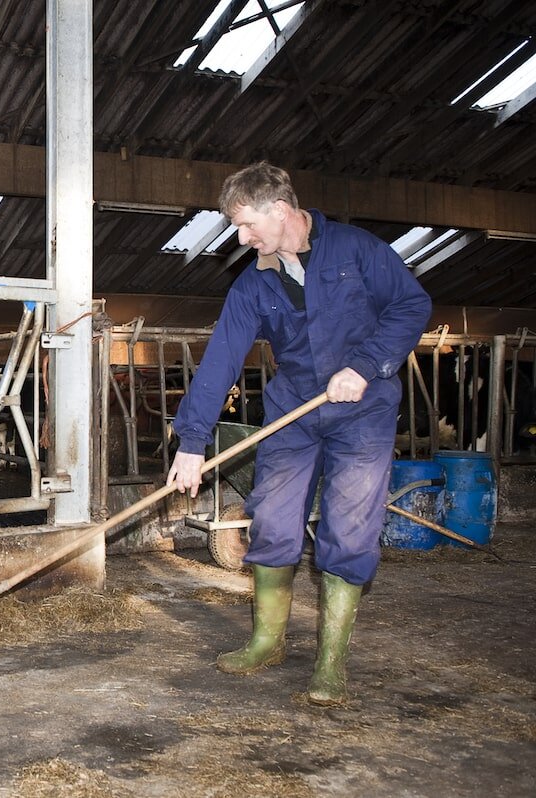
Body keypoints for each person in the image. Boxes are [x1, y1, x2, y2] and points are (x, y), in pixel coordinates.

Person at [167, 162, 432, 705]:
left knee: (350, 524)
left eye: (245, 225)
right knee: (273, 516)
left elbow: (412, 306)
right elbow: (221, 360)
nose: (241, 238)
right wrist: (192, 443)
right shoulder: (253, 283)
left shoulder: (358, 251)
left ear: (280, 210)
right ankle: (267, 641)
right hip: (295, 407)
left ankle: (331, 663)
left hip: (363, 406)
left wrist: (366, 365)